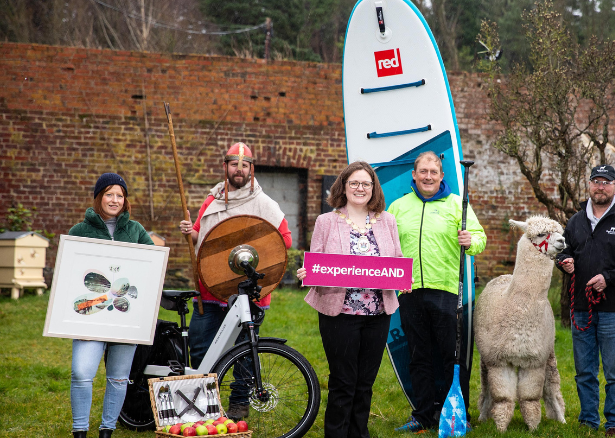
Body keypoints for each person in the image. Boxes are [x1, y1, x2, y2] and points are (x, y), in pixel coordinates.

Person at [177, 142, 291, 421]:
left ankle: (239, 403)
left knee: (243, 351)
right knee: (202, 348)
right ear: (225, 167)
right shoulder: (212, 199)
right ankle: (202, 405)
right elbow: (200, 238)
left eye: (244, 165)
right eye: (233, 164)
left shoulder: (265, 204)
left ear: (251, 169)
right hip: (210, 290)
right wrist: (188, 232)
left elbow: (282, 242)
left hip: (247, 293)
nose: (238, 170)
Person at [296, 161, 403, 438]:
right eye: (354, 183)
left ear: (373, 188)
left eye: (365, 184)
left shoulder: (388, 221)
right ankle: (336, 434)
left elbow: (397, 261)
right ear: (343, 186)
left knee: (365, 382)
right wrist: (308, 273)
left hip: (378, 315)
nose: (360, 188)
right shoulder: (326, 222)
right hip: (339, 314)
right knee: (343, 382)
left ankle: (359, 434)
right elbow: (318, 264)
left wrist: (404, 278)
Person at [388, 151, 487, 433]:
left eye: (434, 172)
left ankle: (457, 413)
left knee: (450, 356)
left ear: (442, 176)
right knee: (418, 355)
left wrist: (471, 240)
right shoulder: (398, 207)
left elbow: (480, 238)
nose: (428, 176)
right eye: (423, 171)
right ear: (414, 175)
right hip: (409, 291)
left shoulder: (458, 205)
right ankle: (422, 415)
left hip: (445, 291)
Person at [555, 165, 615, 438]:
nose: (601, 186)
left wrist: (609, 278)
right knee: (584, 371)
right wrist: (564, 262)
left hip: (613, 310)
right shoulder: (575, 222)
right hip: (581, 308)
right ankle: (588, 420)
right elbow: (564, 250)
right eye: (596, 181)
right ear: (589, 185)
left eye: (606, 182)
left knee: (614, 371)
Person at [68, 173, 154, 438]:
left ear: (125, 199)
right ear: (99, 197)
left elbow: (151, 266)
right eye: (109, 194)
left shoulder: (136, 231)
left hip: (124, 315)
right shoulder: (79, 231)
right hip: (91, 313)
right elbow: (70, 273)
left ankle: (107, 430)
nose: (115, 200)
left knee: (118, 378)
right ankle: (80, 430)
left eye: (119, 195)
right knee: (82, 372)